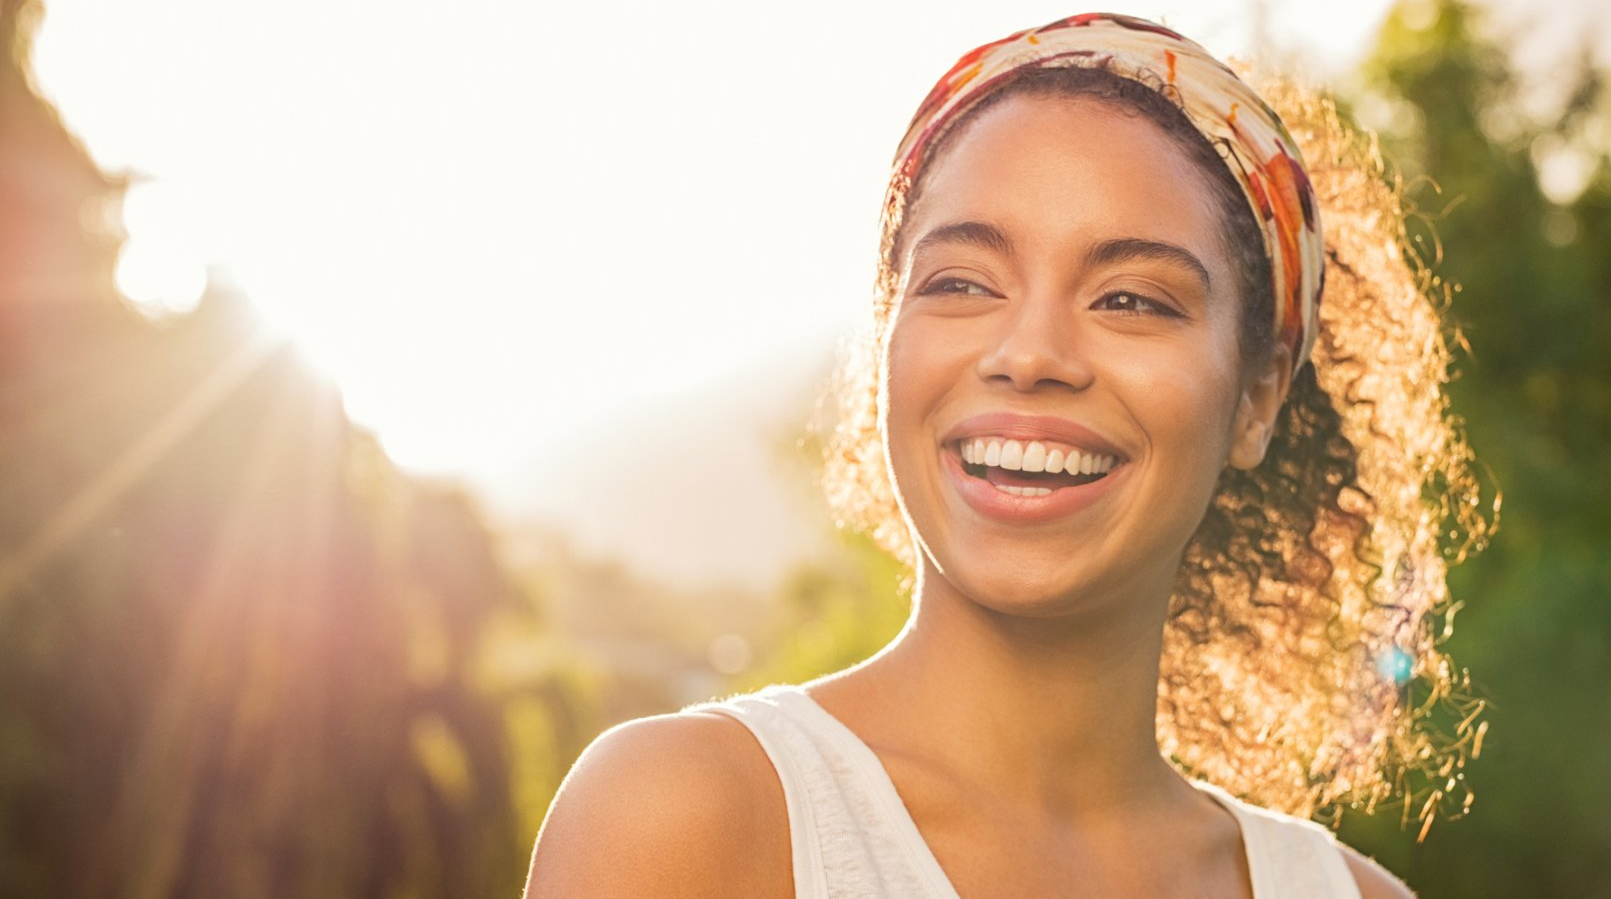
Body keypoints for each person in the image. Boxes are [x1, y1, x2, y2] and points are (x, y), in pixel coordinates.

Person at [525, 12, 1488, 899]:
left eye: (1132, 299)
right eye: (960, 281)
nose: (1028, 354)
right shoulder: (685, 821)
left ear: (1258, 396)